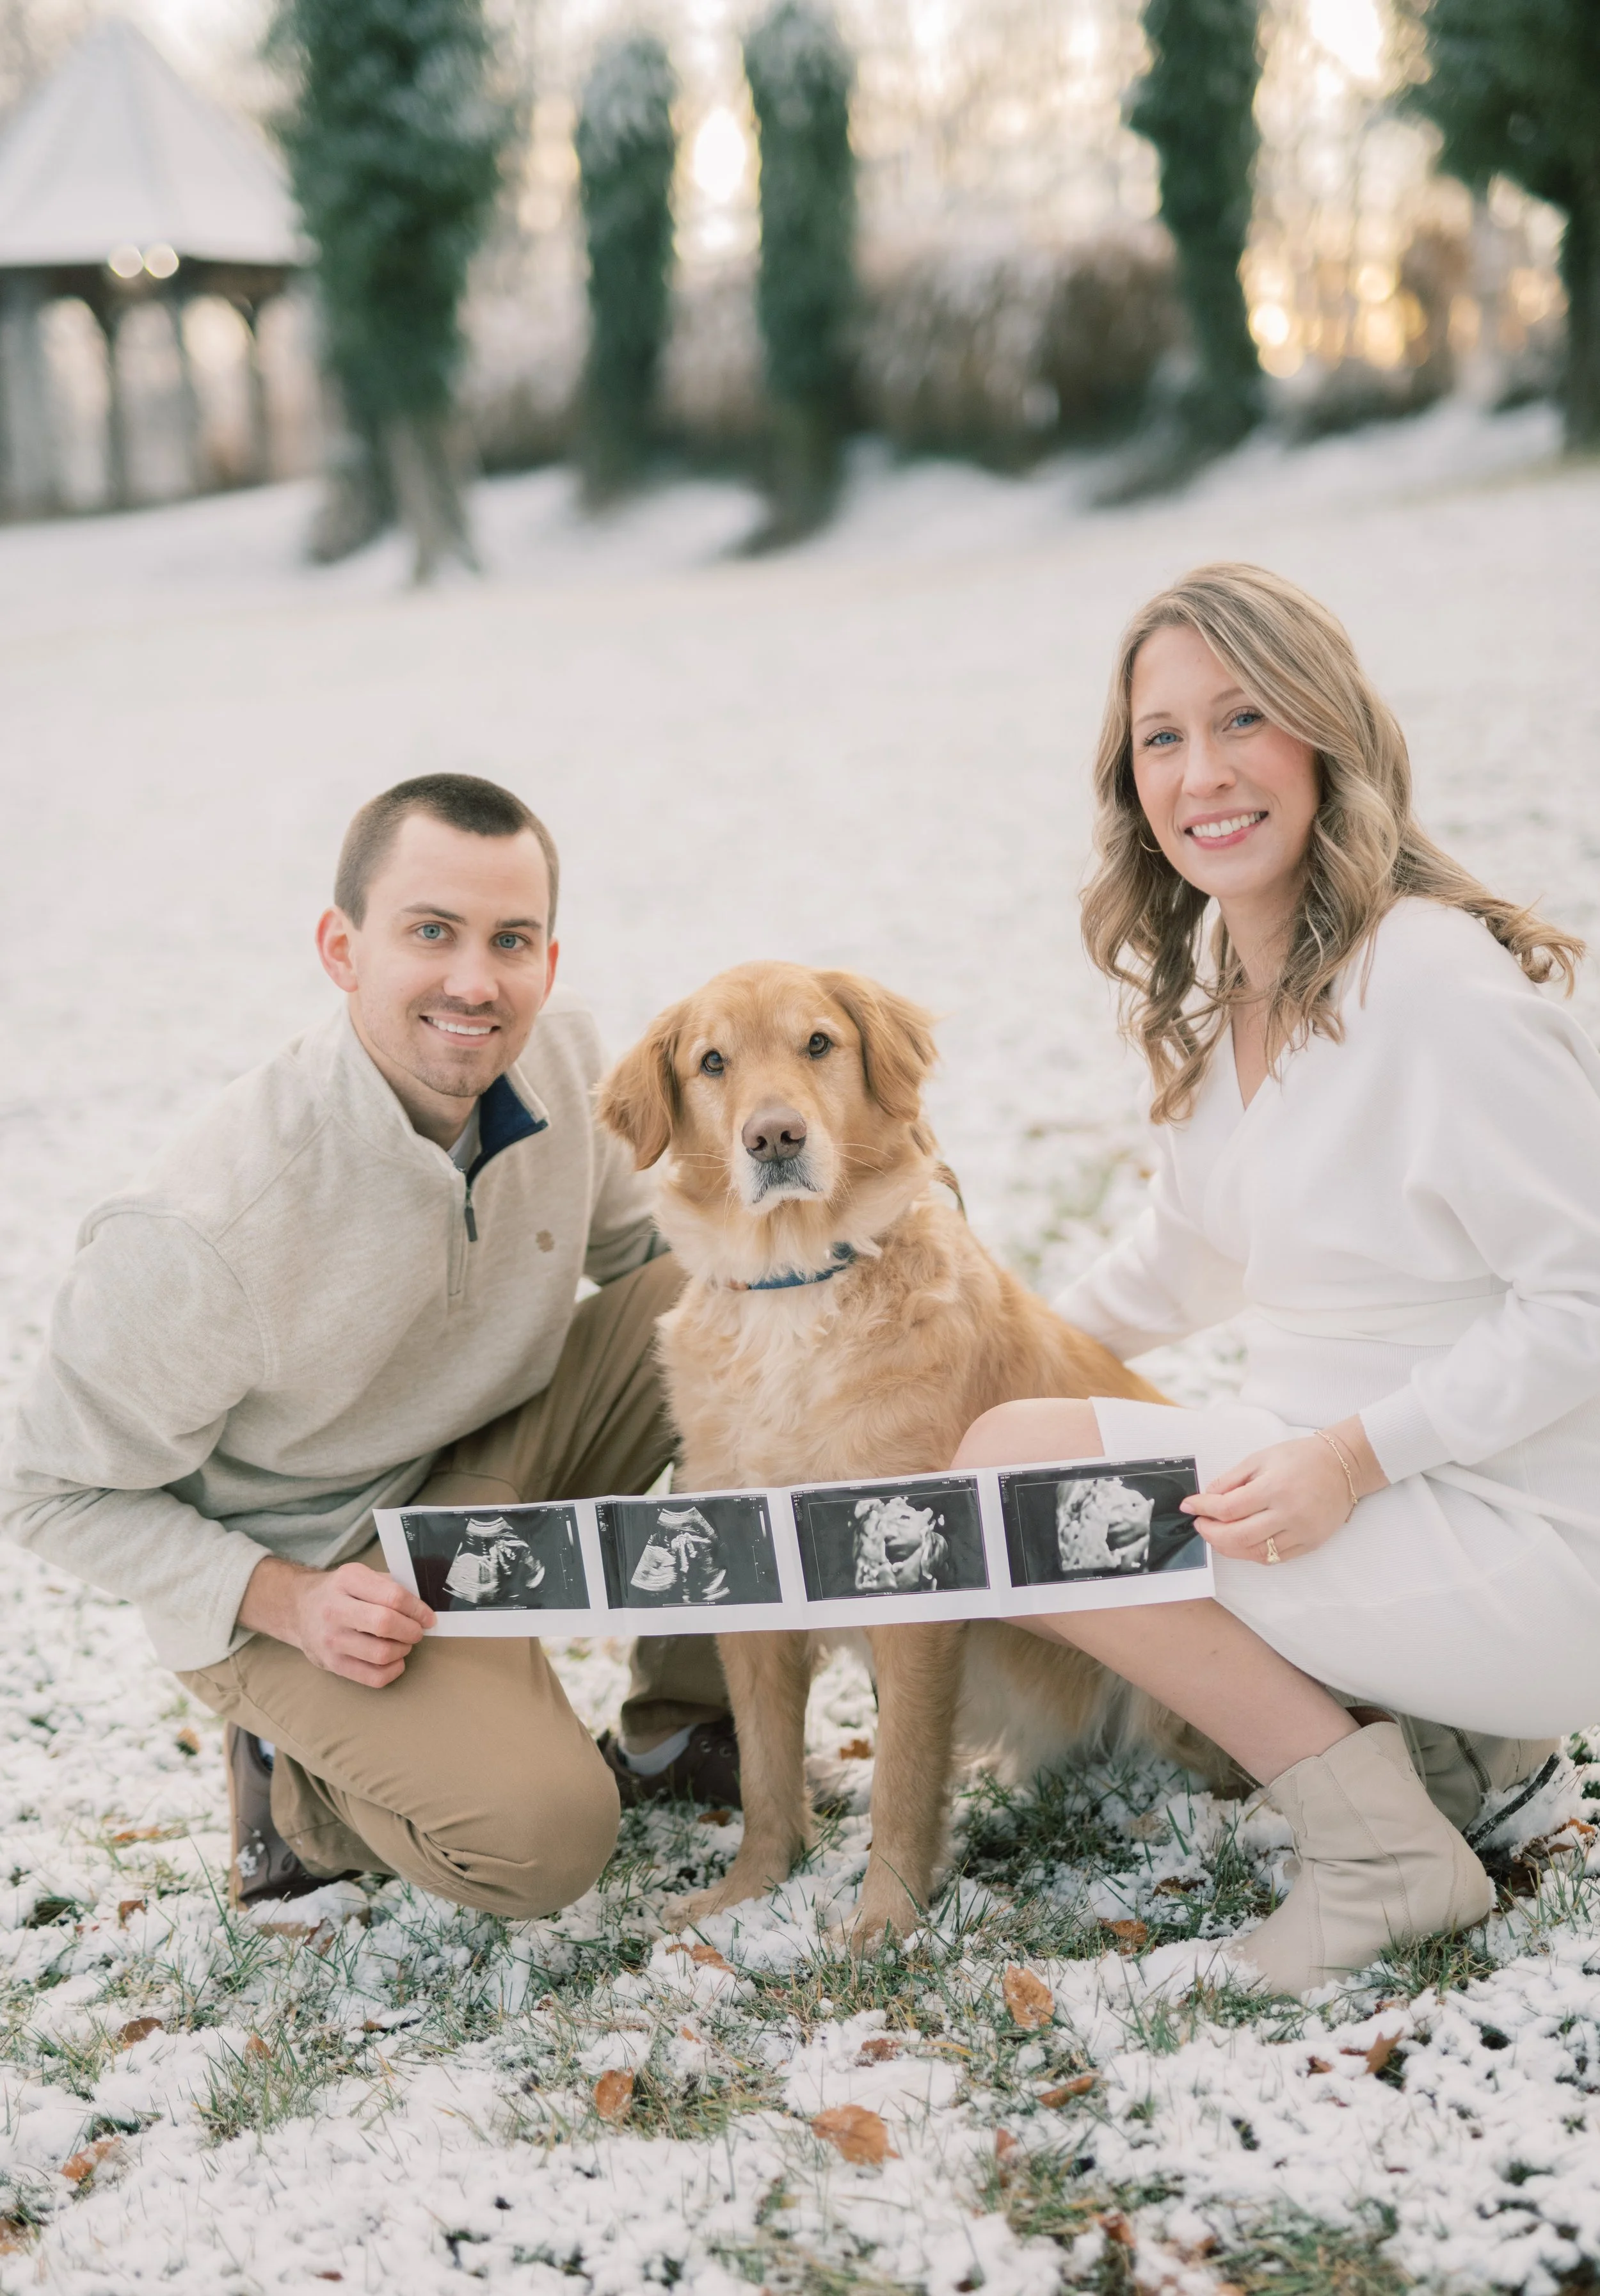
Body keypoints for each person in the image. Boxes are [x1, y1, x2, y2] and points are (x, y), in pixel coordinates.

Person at [954, 564, 1600, 1997]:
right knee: (998, 1441)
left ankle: (1380, 1856)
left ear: (1322, 735)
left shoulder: (1429, 987)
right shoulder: (1237, 994)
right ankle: (1439, 1752)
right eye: (1161, 738)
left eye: (1241, 718)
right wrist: (976, 1353)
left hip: (1525, 1537)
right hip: (1373, 1512)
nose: (1202, 772)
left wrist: (1354, 1461)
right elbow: (1186, 1256)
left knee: (1025, 1480)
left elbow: (1585, 1305)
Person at [1, 774, 735, 1917]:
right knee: (545, 1840)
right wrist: (284, 1600)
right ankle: (300, 1788)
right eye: (430, 932)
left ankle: (686, 1720)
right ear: (342, 948)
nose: (475, 981)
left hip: (484, 1457)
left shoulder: (564, 1054)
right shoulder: (205, 1228)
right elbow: (44, 1490)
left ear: (549, 956)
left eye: (512, 940)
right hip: (317, 1565)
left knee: (744, 1296)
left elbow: (659, 1260)